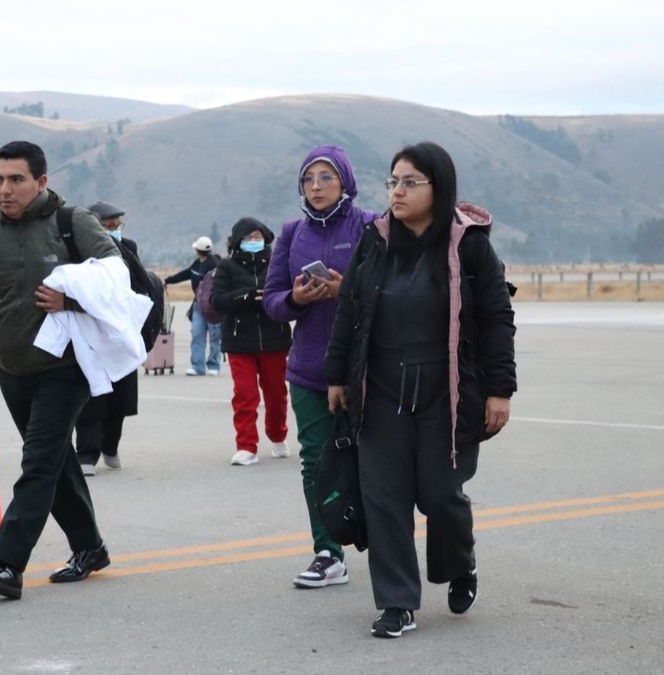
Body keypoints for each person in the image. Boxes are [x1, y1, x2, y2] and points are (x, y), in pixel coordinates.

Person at [324, 141, 516, 638]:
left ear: (439, 186)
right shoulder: (375, 240)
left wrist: (500, 390)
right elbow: (350, 310)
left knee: (440, 494)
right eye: (392, 181)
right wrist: (337, 376)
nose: (398, 191)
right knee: (384, 497)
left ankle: (460, 560)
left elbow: (496, 319)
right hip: (381, 387)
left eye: (411, 182)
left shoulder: (468, 244)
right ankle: (397, 602)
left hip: (447, 390)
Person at [0, 141, 118, 600]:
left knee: (38, 462)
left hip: (65, 367)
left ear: (41, 181)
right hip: (13, 369)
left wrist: (70, 301)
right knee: (56, 462)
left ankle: (6, 564)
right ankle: (90, 548)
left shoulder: (72, 223)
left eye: (16, 180)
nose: (5, 189)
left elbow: (116, 278)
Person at [263, 145, 373, 589]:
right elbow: (271, 301)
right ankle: (327, 553)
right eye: (309, 179)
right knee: (315, 462)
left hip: (364, 367)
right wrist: (295, 300)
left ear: (345, 181)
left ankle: (383, 544)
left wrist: (348, 292)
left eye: (326, 177)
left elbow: (387, 290)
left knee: (376, 462)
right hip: (309, 367)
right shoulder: (291, 233)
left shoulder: (370, 226)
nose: (316, 186)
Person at [210, 218, 292, 465]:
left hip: (274, 339)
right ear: (238, 241)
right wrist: (245, 297)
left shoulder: (278, 263)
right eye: (248, 237)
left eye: (257, 236)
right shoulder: (226, 267)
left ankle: (278, 436)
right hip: (239, 342)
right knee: (245, 396)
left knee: (277, 394)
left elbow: (289, 293)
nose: (253, 241)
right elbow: (217, 300)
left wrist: (272, 298)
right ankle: (246, 446)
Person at [72, 200, 139, 476]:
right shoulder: (76, 251)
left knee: (121, 396)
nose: (113, 231)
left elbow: (138, 284)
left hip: (121, 331)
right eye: (107, 227)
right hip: (90, 332)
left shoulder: (129, 249)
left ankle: (111, 446)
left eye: (116, 226)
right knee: (92, 396)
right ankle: (86, 452)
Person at [164, 236, 220, 376]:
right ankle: (198, 366)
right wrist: (168, 280)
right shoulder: (197, 264)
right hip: (198, 305)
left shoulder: (214, 265)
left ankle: (213, 365)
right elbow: (186, 274)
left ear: (197, 250)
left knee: (214, 336)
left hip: (213, 307)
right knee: (197, 334)